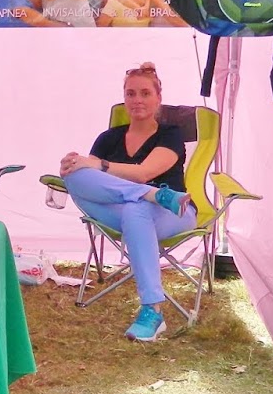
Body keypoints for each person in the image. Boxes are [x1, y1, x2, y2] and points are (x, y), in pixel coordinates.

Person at [59, 62, 196, 342]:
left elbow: (146, 172)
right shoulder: (108, 138)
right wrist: (72, 166)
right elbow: (92, 182)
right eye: (131, 93)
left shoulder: (170, 134)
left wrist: (98, 164)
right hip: (137, 207)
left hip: (174, 212)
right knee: (75, 179)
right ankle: (153, 194)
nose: (137, 100)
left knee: (136, 211)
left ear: (158, 98)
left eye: (145, 93)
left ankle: (152, 309)